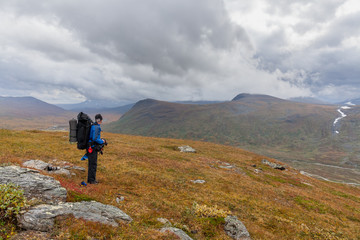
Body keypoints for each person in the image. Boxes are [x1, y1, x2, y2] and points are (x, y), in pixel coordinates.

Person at [87, 114, 106, 184]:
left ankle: (91, 179)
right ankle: (91, 180)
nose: (101, 121)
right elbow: (95, 139)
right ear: (99, 120)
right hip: (92, 147)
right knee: (93, 164)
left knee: (91, 163)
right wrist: (102, 141)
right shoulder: (96, 127)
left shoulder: (93, 126)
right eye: (101, 120)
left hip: (90, 146)